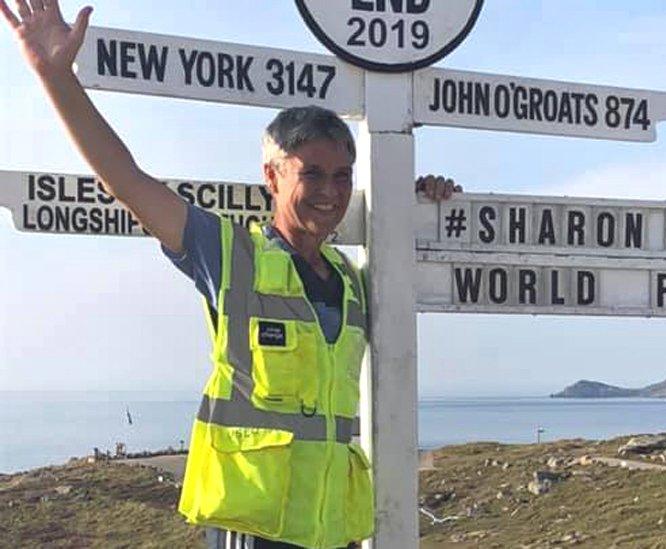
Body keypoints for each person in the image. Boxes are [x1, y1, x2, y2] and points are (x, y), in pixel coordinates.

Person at [0, 2, 459, 547]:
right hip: (252, 528)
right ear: (272, 175)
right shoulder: (228, 255)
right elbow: (126, 180)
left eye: (342, 176)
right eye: (311, 173)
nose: (331, 192)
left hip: (332, 530)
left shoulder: (353, 278)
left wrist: (422, 197)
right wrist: (56, 77)